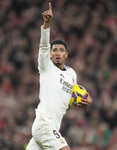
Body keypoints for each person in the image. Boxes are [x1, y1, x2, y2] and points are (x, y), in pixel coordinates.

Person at [26, 3, 92, 150]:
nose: (57, 53)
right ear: (50, 54)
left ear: (66, 54)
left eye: (61, 50)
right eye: (54, 50)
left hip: (52, 127)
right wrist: (47, 23)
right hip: (44, 125)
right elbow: (43, 45)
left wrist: (87, 100)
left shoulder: (72, 74)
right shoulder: (45, 66)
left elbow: (70, 97)